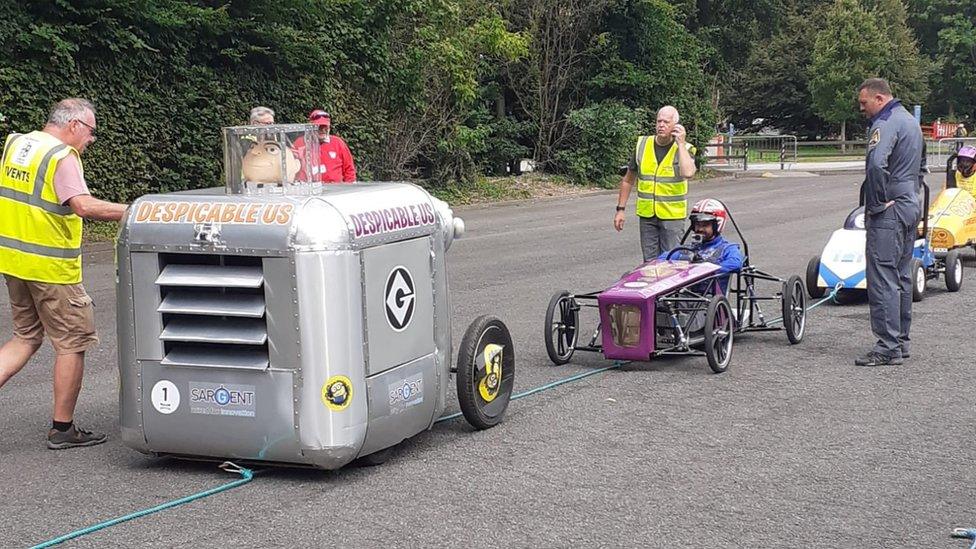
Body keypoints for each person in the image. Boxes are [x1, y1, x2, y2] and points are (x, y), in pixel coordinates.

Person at [0, 98, 127, 448]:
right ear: (73, 125)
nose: (91, 140)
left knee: (25, 337)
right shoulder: (61, 156)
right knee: (72, 342)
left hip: (14, 262)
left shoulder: (18, 144)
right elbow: (83, 205)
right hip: (52, 268)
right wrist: (135, 210)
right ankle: (62, 428)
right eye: (91, 132)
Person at [854, 78, 923, 367]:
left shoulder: (885, 123)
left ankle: (887, 346)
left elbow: (876, 164)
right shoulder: (911, 121)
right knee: (902, 275)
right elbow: (921, 167)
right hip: (909, 204)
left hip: (889, 211)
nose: (862, 108)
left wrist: (879, 202)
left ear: (880, 98)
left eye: (864, 102)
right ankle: (901, 341)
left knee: (883, 277)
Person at [614, 105, 697, 262]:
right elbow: (628, 180)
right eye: (659, 121)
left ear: (676, 126)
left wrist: (680, 144)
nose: (661, 125)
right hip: (647, 216)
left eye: (666, 122)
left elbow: (688, 173)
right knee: (649, 263)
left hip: (672, 217)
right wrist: (620, 210)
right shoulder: (643, 145)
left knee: (672, 263)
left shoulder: (685, 148)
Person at [658, 199, 743, 294]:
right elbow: (662, 259)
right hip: (682, 299)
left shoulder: (728, 248)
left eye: (705, 225)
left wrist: (703, 270)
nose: (700, 229)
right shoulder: (685, 249)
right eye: (697, 224)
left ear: (717, 226)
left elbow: (735, 263)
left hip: (711, 300)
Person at [294, 109, 356, 183]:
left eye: (325, 126)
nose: (323, 130)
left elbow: (349, 169)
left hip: (335, 190)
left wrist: (348, 189)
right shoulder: (299, 143)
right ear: (311, 128)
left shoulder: (338, 143)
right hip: (308, 189)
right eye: (319, 127)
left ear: (329, 127)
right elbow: (291, 167)